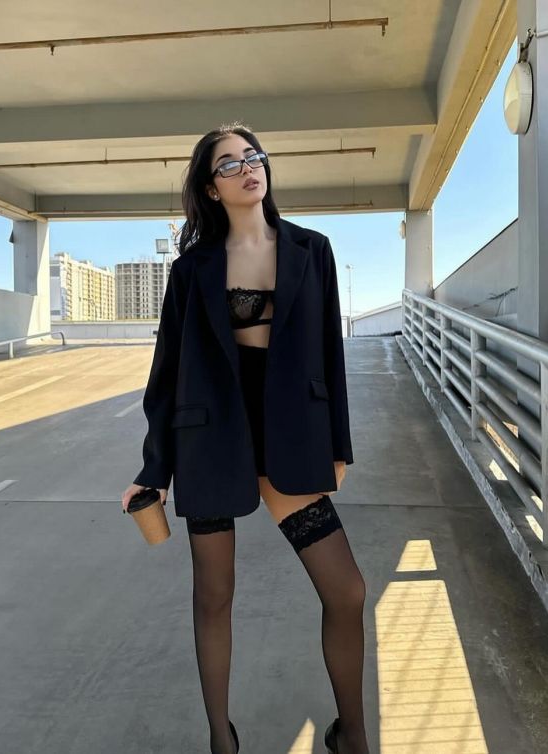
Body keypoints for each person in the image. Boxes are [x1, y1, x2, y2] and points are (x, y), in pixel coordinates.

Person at [122, 122, 369, 754]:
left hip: (291, 437)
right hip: (212, 441)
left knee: (346, 591)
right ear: (211, 187)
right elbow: (167, 372)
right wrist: (153, 468)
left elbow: (330, 354)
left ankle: (353, 735)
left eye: (252, 156)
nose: (247, 167)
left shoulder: (312, 250)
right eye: (229, 163)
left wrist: (338, 444)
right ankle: (221, 741)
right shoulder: (192, 270)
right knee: (214, 597)